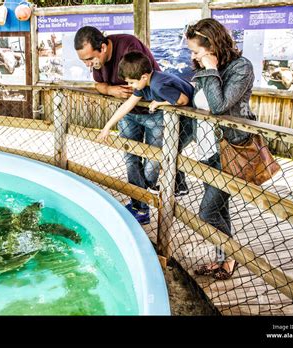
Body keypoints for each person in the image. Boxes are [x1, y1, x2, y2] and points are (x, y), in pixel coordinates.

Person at [74, 26, 193, 225]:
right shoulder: (97, 64)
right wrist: (110, 91)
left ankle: (154, 191)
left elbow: (170, 94)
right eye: (83, 61)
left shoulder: (129, 46)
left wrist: (160, 102)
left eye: (89, 59)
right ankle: (140, 207)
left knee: (152, 163)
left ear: (102, 48)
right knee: (131, 160)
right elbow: (100, 86)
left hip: (155, 115)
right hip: (130, 114)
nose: (88, 65)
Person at [185, 18, 256, 280]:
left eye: (196, 51)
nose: (193, 56)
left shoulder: (241, 68)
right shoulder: (205, 67)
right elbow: (198, 105)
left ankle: (230, 258)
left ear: (212, 45)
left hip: (229, 150)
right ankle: (224, 260)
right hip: (206, 149)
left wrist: (211, 69)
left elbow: (218, 105)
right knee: (219, 209)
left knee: (207, 213)